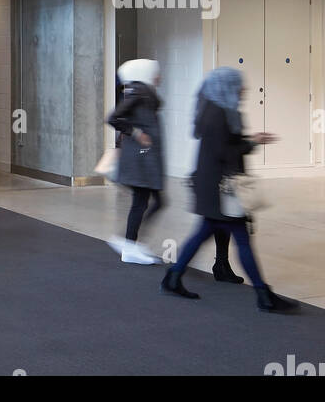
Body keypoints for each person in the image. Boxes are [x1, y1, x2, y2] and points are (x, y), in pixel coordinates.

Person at [160, 66, 297, 312]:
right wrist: (252, 142)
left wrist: (250, 141)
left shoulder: (219, 110)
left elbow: (226, 147)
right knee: (241, 239)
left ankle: (173, 276)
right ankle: (263, 295)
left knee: (203, 234)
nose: (244, 89)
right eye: (239, 84)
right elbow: (225, 153)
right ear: (226, 86)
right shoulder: (219, 114)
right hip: (221, 189)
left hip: (214, 187)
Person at [106, 59, 164, 264]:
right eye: (156, 72)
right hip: (141, 158)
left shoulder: (144, 93)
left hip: (145, 158)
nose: (159, 77)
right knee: (147, 202)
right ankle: (129, 244)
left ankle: (130, 243)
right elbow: (113, 118)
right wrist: (137, 133)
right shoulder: (139, 92)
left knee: (151, 202)